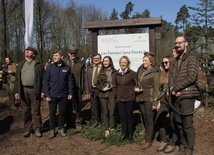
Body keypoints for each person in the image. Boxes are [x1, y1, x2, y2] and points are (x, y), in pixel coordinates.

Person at [169, 36, 200, 155]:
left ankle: (189, 149)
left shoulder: (192, 58)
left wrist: (177, 88)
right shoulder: (176, 60)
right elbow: (171, 77)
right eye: (176, 43)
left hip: (187, 95)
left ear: (186, 43)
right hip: (176, 96)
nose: (177, 45)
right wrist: (172, 88)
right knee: (178, 122)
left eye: (180, 43)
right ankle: (183, 145)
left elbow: (191, 76)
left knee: (187, 123)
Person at [14, 46, 43, 138]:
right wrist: (16, 91)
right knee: (25, 110)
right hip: (23, 90)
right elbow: (17, 79)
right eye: (26, 51)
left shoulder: (38, 65)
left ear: (33, 54)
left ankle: (37, 128)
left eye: (29, 51)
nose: (27, 52)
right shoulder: (21, 64)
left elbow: (44, 79)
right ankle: (27, 128)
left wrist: (43, 91)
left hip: (35, 90)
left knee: (35, 111)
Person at [44, 50, 73, 138]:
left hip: (63, 95)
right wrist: (47, 95)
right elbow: (46, 81)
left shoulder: (67, 68)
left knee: (62, 112)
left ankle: (61, 128)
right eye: (54, 56)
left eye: (56, 56)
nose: (54, 57)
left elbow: (70, 81)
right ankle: (52, 129)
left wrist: (70, 92)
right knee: (52, 113)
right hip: (52, 95)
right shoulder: (50, 67)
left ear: (61, 57)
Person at [135, 53, 159, 150]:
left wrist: (155, 102)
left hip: (149, 98)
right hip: (141, 98)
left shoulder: (155, 72)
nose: (143, 62)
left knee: (149, 120)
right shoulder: (142, 71)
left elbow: (156, 88)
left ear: (151, 62)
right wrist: (136, 88)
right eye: (143, 60)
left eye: (146, 60)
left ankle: (149, 140)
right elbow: (138, 82)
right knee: (145, 118)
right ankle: (147, 138)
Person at [155, 55, 177, 153]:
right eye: (163, 63)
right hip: (163, 101)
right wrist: (159, 101)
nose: (165, 64)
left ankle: (173, 142)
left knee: (173, 123)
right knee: (159, 120)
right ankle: (163, 140)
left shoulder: (174, 74)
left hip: (173, 102)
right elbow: (160, 90)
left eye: (166, 62)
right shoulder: (163, 74)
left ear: (171, 62)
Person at [115, 56, 137, 143]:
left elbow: (137, 84)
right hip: (120, 99)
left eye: (125, 62)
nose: (123, 64)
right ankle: (124, 133)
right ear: (119, 63)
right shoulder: (116, 74)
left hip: (130, 98)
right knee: (122, 117)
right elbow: (115, 86)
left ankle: (130, 134)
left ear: (128, 63)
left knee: (129, 117)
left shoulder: (132, 73)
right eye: (121, 62)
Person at [95, 56, 117, 137]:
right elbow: (96, 84)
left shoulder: (115, 72)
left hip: (112, 93)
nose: (105, 62)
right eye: (104, 61)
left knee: (112, 112)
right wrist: (102, 89)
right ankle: (106, 128)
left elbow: (118, 83)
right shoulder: (100, 72)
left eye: (107, 61)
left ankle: (112, 127)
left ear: (110, 62)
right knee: (105, 112)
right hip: (103, 94)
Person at [65, 46, 85, 129]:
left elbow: (83, 77)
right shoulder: (64, 63)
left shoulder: (80, 64)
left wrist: (83, 88)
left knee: (78, 106)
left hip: (77, 87)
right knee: (67, 106)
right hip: (66, 88)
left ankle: (78, 122)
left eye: (74, 53)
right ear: (68, 53)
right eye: (71, 53)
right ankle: (69, 122)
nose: (73, 54)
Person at [85, 53, 102, 127]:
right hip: (92, 90)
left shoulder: (103, 67)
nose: (95, 60)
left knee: (102, 106)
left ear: (100, 59)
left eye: (97, 58)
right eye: (94, 58)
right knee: (94, 107)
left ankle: (102, 121)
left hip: (101, 90)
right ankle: (95, 121)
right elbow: (86, 79)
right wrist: (87, 91)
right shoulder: (89, 68)